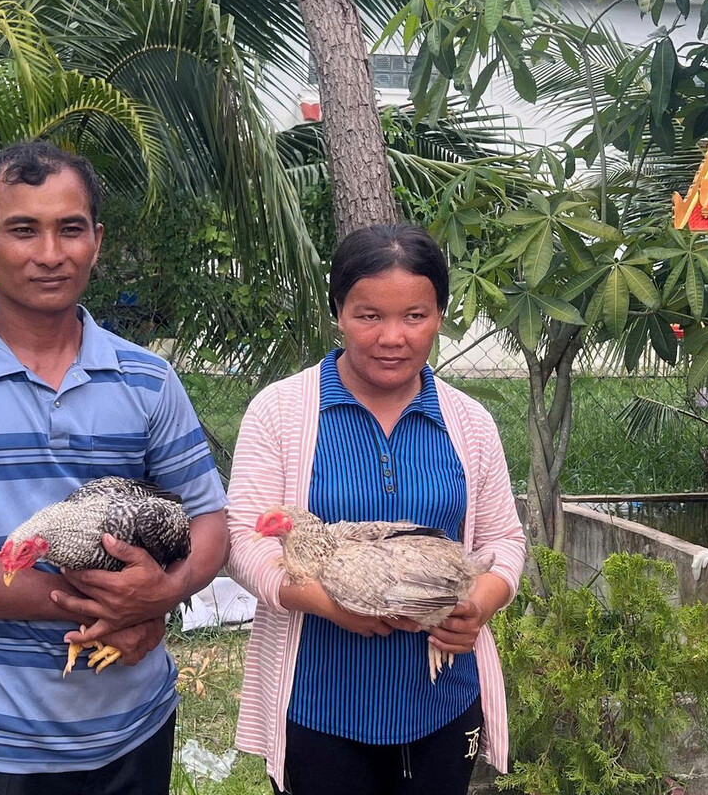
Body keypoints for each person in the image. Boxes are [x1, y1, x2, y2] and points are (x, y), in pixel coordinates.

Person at [0, 141, 230, 795]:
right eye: (22, 229)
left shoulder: (147, 380)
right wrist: (116, 610)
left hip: (136, 725)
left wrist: (162, 594)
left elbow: (209, 520)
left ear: (96, 241)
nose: (49, 253)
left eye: (70, 229)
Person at [224, 224, 528, 795]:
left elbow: (505, 541)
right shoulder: (282, 412)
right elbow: (243, 539)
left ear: (439, 314)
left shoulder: (468, 423)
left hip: (441, 698)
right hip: (317, 703)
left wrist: (477, 607)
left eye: (416, 316)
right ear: (338, 311)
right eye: (369, 316)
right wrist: (328, 604)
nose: (393, 337)